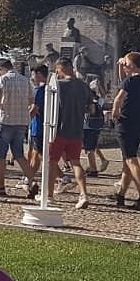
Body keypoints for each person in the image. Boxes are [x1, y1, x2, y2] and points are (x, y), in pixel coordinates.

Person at [0, 58, 38, 198]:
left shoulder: (3, 79)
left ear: (2, 68)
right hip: (21, 122)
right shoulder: (25, 80)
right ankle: (32, 181)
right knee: (19, 155)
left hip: (6, 120)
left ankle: (0, 186)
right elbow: (32, 102)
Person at [110, 52, 140, 209]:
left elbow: (119, 96)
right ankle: (121, 194)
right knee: (127, 160)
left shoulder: (131, 80)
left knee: (131, 159)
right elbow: (124, 80)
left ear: (132, 65)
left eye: (127, 64)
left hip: (127, 122)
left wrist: (115, 113)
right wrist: (123, 66)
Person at [51, 57, 92, 208]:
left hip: (59, 129)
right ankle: (83, 194)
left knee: (51, 162)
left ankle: (48, 195)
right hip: (77, 129)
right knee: (76, 162)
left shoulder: (58, 85)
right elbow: (90, 108)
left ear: (60, 68)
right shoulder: (83, 86)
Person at [82, 79, 109, 175]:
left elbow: (89, 111)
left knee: (89, 149)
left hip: (87, 127)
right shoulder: (98, 101)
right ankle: (92, 165)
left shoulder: (87, 102)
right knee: (92, 147)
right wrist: (100, 85)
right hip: (97, 126)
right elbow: (103, 95)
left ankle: (93, 168)